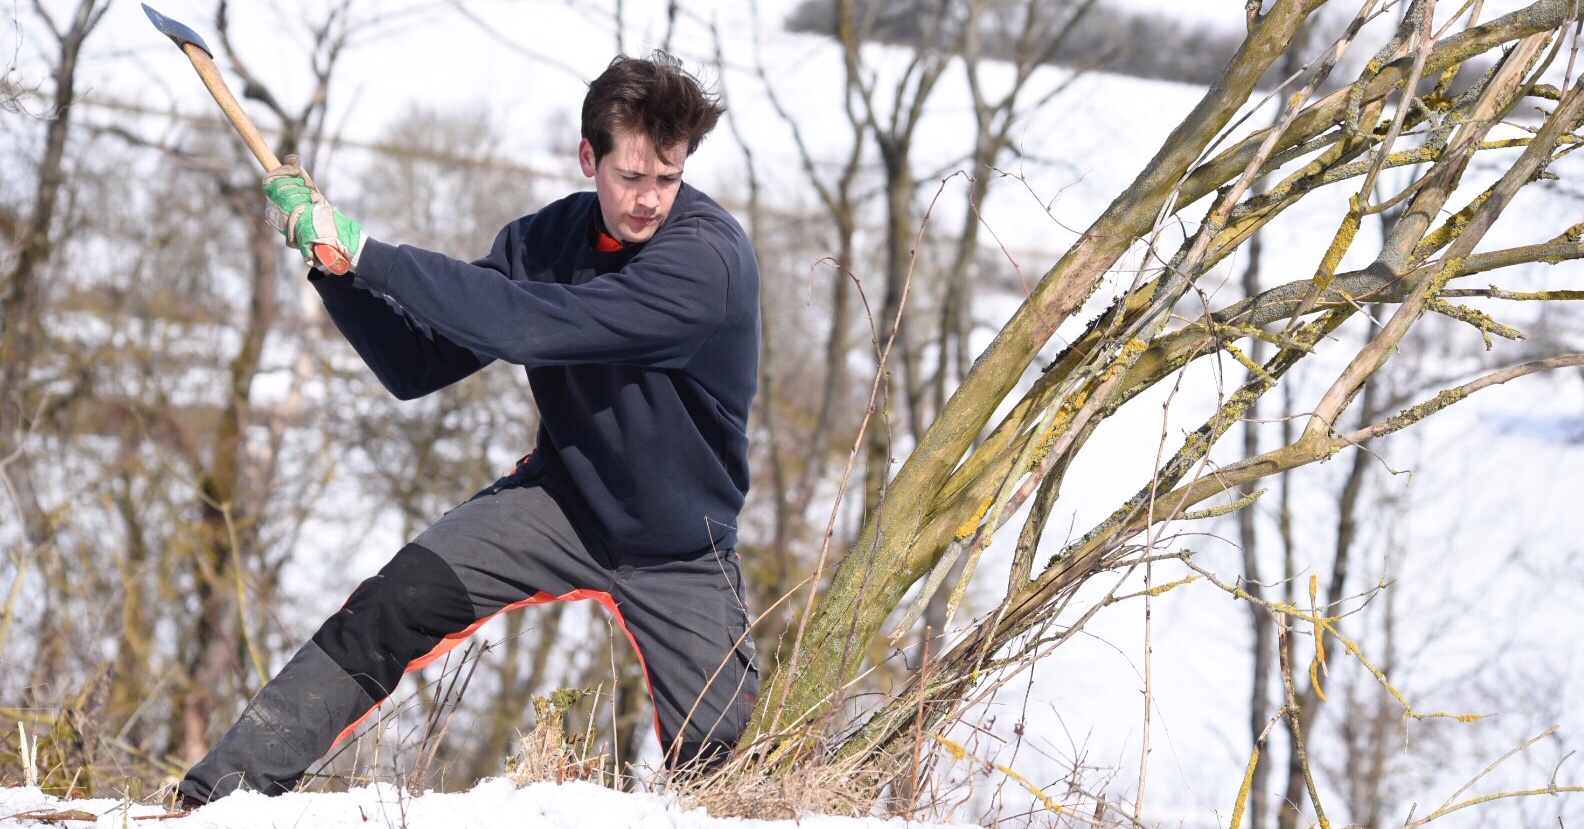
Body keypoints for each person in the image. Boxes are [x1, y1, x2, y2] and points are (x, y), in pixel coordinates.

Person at [178, 51, 761, 804]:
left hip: (683, 549)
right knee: (390, 604)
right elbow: (415, 363)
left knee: (728, 777)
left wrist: (371, 253)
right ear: (590, 158)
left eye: (668, 177)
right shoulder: (543, 243)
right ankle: (213, 799)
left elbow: (532, 326)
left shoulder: (706, 263)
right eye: (632, 176)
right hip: (562, 504)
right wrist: (334, 267)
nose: (650, 199)